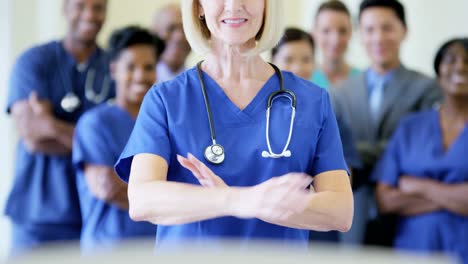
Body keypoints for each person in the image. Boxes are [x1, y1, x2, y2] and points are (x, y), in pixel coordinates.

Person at [114, 0, 353, 249]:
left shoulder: (312, 101)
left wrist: (254, 204)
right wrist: (238, 200)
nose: (234, 5)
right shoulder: (166, 99)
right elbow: (142, 200)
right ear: (198, 7)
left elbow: (341, 211)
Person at [4, 0, 113, 255]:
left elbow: (118, 144)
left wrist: (51, 124)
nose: (89, 14)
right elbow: (32, 136)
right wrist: (94, 144)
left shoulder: (115, 67)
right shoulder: (34, 61)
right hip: (37, 215)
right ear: (64, 9)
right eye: (80, 5)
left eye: (98, 7)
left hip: (93, 212)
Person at [330, 0, 442, 245]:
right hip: (352, 213)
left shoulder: (428, 89)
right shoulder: (339, 93)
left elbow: (421, 153)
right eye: (370, 30)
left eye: (387, 28)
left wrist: (355, 154)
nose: (378, 37)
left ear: (404, 30)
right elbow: (333, 152)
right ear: (360, 34)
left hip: (408, 212)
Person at [372, 37, 468, 263]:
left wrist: (419, 186)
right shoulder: (410, 127)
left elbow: (398, 194)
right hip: (413, 251)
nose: (460, 66)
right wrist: (456, 197)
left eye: (467, 60)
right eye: (451, 60)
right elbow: (385, 199)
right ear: (437, 73)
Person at [73, 26, 164, 253]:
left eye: (148, 67)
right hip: (108, 250)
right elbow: (108, 189)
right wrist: (169, 194)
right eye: (130, 67)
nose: (141, 76)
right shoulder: (95, 124)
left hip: (156, 249)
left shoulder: (163, 123)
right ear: (114, 69)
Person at [272, 27, 361, 244]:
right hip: (274, 229)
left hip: (321, 231)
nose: (298, 67)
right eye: (289, 59)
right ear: (272, 61)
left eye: (306, 59)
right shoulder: (262, 113)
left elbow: (346, 174)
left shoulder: (326, 111)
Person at [311, 0, 359, 89]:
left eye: (342, 31)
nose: (335, 40)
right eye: (326, 31)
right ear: (314, 33)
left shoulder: (362, 81)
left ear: (351, 32)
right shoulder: (305, 78)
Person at [150, 4, 191, 82]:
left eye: (184, 29)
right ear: (154, 34)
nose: (179, 37)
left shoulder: (199, 83)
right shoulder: (142, 83)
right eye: (171, 28)